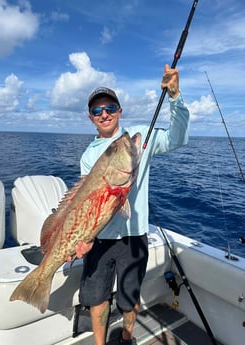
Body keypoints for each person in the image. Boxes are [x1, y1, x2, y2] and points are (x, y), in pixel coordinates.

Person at [74, 64, 190, 345]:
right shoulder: (88, 157)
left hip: (133, 235)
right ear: (91, 118)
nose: (104, 114)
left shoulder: (138, 136)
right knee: (97, 298)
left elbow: (178, 138)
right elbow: (87, 204)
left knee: (129, 297)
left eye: (110, 108)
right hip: (99, 239)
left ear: (120, 111)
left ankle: (127, 338)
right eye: (97, 111)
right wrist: (82, 237)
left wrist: (175, 98)